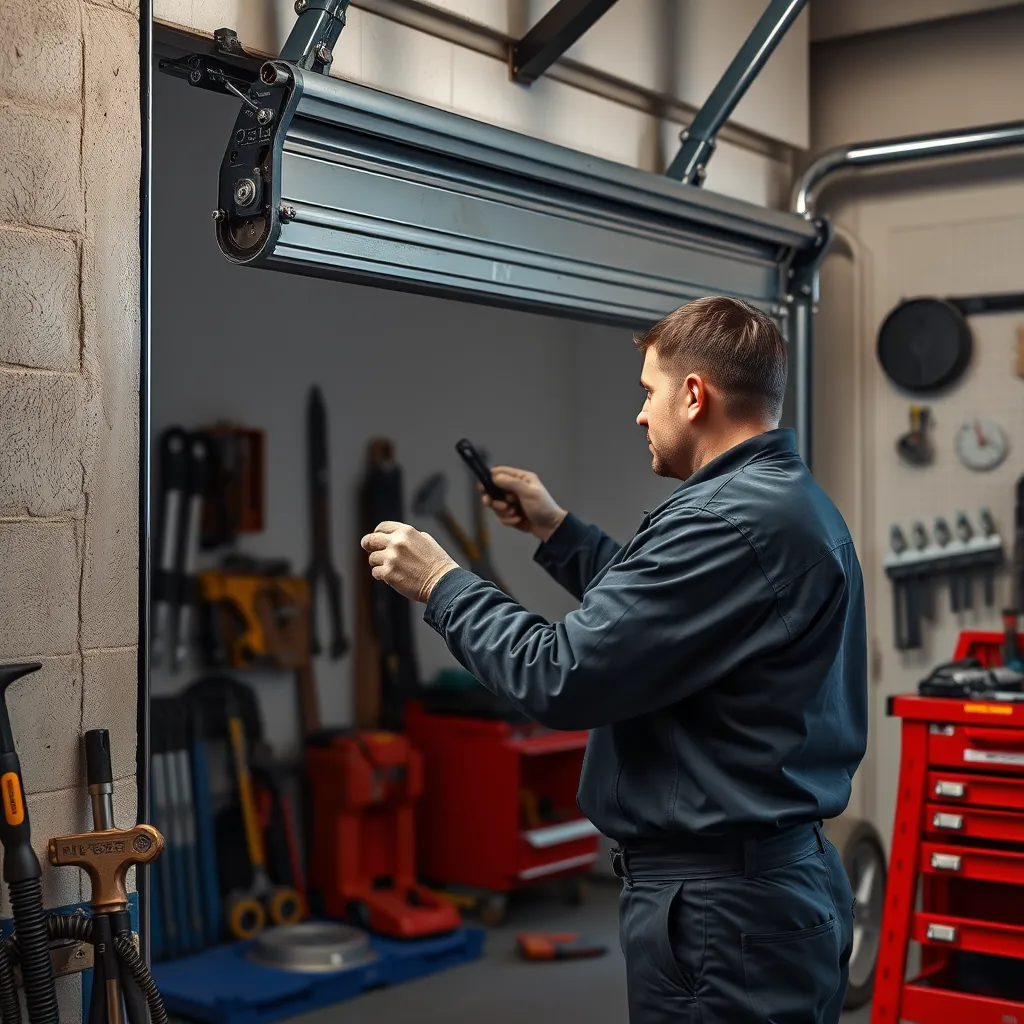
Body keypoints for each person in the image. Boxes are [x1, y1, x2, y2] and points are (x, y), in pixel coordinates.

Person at [361, 295, 868, 1024]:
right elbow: (665, 622)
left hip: (725, 912)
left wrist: (441, 585)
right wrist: (556, 529)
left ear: (694, 396)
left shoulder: (727, 521)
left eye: (648, 392)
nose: (640, 414)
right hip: (758, 890)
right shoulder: (778, 503)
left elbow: (560, 673)